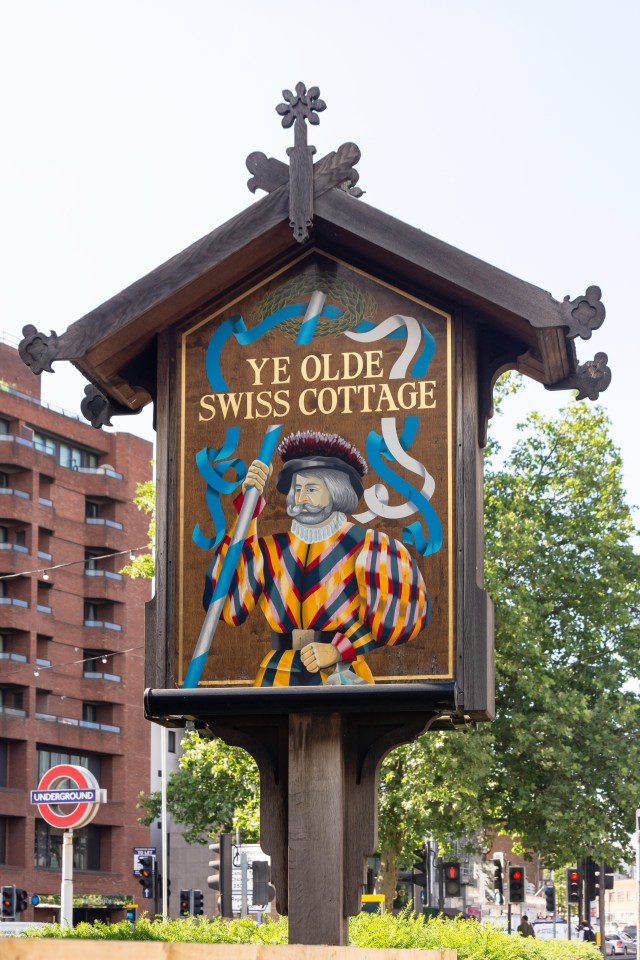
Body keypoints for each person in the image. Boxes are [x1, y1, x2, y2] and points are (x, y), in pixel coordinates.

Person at [203, 431, 431, 687]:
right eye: (297, 489)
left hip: (342, 677)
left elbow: (400, 620)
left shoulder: (370, 547)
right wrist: (249, 511)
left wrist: (340, 649)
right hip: (275, 678)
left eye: (311, 489)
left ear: (336, 492)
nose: (300, 499)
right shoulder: (268, 550)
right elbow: (227, 607)